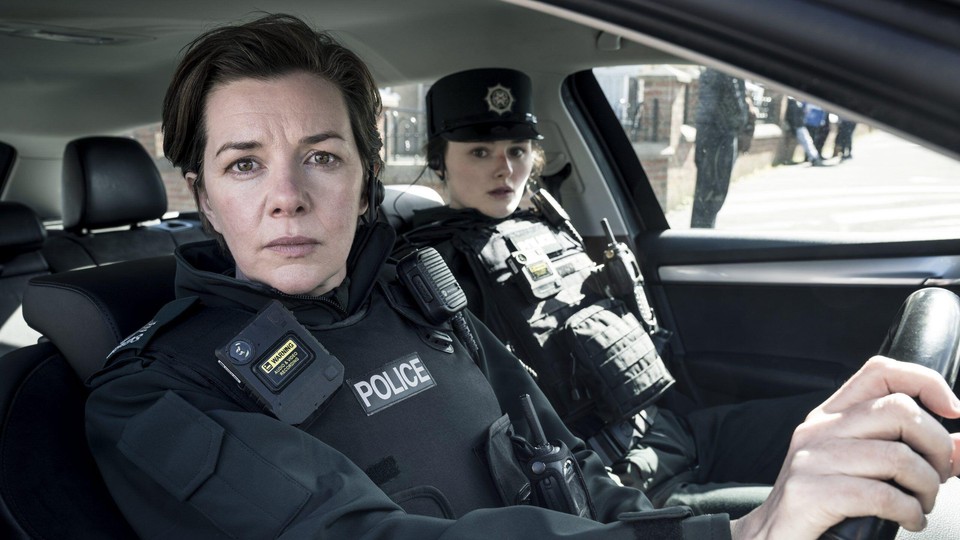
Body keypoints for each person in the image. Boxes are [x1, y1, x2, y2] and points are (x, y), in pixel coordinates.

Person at [83, 14, 960, 540]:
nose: (287, 198)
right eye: (243, 165)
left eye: (321, 155)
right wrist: (734, 532)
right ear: (197, 190)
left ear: (365, 174)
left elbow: (568, 465)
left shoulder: (417, 291)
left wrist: (699, 516)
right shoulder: (156, 393)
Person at [690, 68, 751, 228]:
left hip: (711, 134)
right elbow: (734, 101)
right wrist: (742, 121)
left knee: (707, 193)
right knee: (713, 192)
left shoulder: (710, 71)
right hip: (720, 135)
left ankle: (701, 234)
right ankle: (701, 237)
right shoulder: (726, 69)